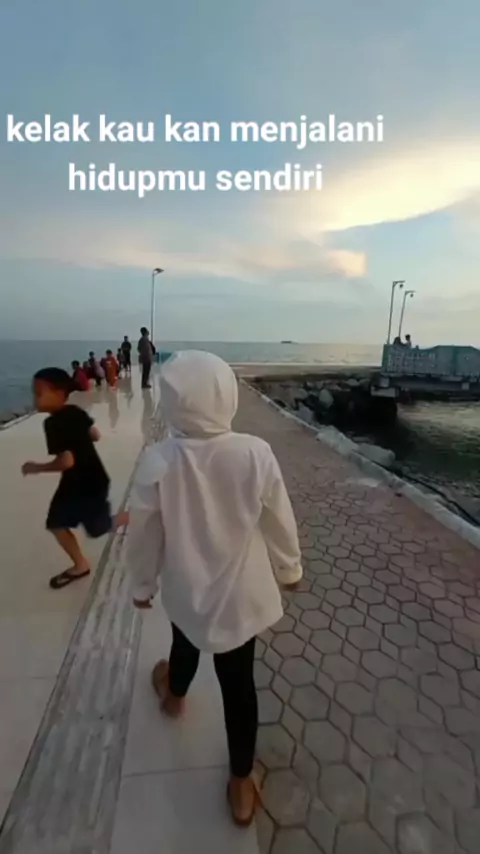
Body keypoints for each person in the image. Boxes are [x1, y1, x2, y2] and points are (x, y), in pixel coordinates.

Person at [125, 351, 302, 826]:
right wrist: (289, 568)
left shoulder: (158, 461)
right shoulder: (254, 452)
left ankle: (174, 696)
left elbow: (143, 534)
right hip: (240, 598)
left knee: (184, 642)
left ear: (172, 401)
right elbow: (279, 517)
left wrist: (142, 585)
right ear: (227, 396)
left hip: (186, 589)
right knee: (238, 683)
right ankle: (241, 784)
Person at [21, 367, 125, 590]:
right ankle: (133, 517)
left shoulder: (52, 424)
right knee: (95, 527)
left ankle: (81, 565)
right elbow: (95, 435)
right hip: (96, 478)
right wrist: (80, 439)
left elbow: (66, 461)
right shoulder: (76, 411)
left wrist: (36, 467)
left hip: (79, 484)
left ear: (59, 393)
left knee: (57, 524)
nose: (34, 399)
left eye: (39, 393)